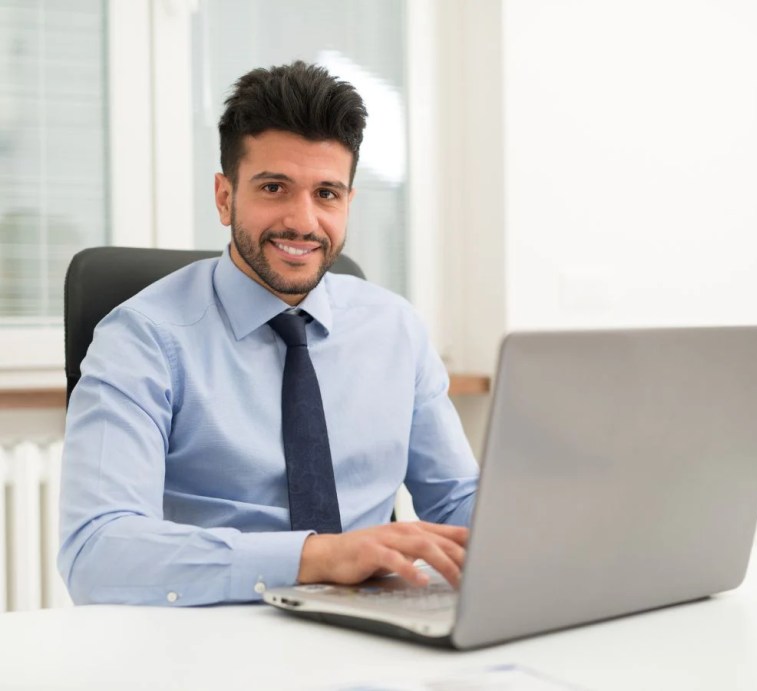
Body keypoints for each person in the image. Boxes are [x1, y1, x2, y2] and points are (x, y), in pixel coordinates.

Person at [58, 62, 479, 606]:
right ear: (224, 196)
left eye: (326, 193)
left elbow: (457, 501)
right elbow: (96, 551)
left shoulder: (394, 328)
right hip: (209, 638)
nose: (302, 221)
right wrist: (317, 559)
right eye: (274, 187)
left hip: (379, 629)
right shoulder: (142, 339)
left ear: (349, 202)